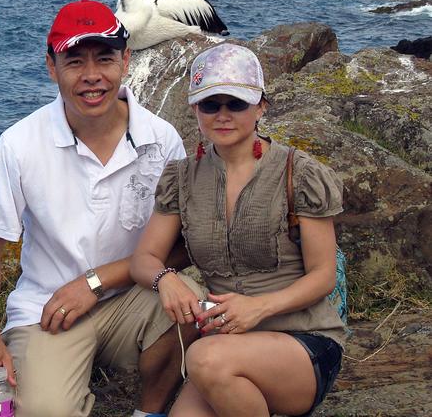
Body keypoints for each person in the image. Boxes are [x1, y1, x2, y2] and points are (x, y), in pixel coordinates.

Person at [0, 0, 202, 417]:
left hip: (134, 297)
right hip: (48, 306)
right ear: (51, 66)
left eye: (105, 59)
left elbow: (183, 243)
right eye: (74, 61)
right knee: (42, 410)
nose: (92, 76)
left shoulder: (161, 139)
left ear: (126, 61)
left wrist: (94, 282)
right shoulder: (20, 144)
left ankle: (148, 411)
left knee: (189, 305)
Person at [130, 43, 347, 417]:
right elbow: (144, 259)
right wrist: (166, 279)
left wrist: (258, 307)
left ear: (261, 105)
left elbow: (324, 275)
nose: (223, 115)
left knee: (203, 357)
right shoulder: (182, 179)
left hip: (302, 342)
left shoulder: (300, 173)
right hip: (225, 348)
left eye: (237, 103)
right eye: (211, 105)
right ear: (195, 109)